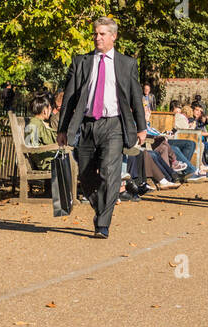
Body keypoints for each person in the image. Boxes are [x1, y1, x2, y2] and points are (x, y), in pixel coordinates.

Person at [57, 16, 147, 239]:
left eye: (102, 34)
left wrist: (141, 128)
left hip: (114, 125)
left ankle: (103, 224)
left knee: (110, 172)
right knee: (87, 177)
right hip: (87, 125)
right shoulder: (81, 62)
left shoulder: (127, 64)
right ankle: (101, 208)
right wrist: (63, 129)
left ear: (113, 36)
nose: (97, 38)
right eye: (95, 34)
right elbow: (69, 97)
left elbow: (136, 97)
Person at [24, 93, 58, 172]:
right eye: (49, 108)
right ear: (44, 110)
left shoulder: (39, 123)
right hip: (46, 162)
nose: (51, 110)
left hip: (50, 158)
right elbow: (32, 148)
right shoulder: (33, 124)